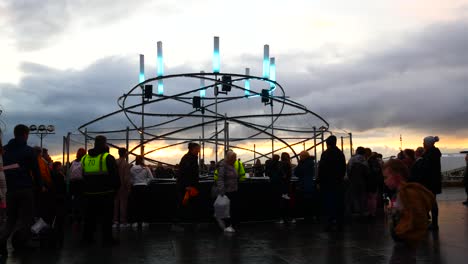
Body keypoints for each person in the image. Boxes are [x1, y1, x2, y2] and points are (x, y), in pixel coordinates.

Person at [0, 124, 44, 256]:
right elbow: (36, 172)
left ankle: (1, 242)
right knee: (27, 218)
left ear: (14, 134)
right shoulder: (29, 151)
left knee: (11, 219)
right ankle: (23, 243)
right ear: (25, 135)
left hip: (10, 190)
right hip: (25, 189)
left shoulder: (4, 150)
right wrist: (40, 186)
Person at [383, 159, 435, 244]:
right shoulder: (402, 192)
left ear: (397, 176)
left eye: (386, 177)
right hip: (405, 235)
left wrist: (394, 211)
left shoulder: (407, 193)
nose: (384, 181)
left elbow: (415, 216)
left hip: (405, 236)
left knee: (403, 256)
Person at [81, 135, 120, 245]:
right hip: (106, 194)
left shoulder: (85, 158)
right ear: (104, 143)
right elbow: (115, 176)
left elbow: (82, 175)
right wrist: (115, 189)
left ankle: (87, 239)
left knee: (89, 219)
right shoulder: (108, 157)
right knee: (106, 219)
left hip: (89, 194)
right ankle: (107, 239)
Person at [318, 135, 346, 232]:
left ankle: (329, 222)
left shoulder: (325, 154)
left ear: (327, 143)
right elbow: (343, 169)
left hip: (327, 182)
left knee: (329, 202)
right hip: (338, 182)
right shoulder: (340, 153)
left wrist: (320, 181)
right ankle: (339, 222)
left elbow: (321, 169)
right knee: (338, 202)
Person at [175, 143, 200, 229]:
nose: (199, 151)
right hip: (187, 187)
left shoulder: (189, 158)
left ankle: (184, 223)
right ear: (192, 149)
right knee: (184, 205)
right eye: (197, 149)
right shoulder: (188, 159)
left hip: (189, 186)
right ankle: (179, 224)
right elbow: (184, 173)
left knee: (188, 205)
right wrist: (187, 185)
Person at [421, 136, 442, 230]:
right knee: (432, 202)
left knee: (432, 202)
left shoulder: (430, 154)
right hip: (434, 181)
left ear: (428, 144)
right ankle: (434, 223)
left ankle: (434, 224)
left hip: (430, 182)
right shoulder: (434, 153)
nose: (423, 144)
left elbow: (426, 167)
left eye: (424, 142)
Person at [216, 150, 239, 233]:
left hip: (233, 190)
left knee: (232, 209)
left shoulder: (232, 165)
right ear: (229, 158)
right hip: (227, 192)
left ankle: (231, 225)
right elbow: (220, 179)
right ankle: (227, 226)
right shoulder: (223, 166)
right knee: (227, 210)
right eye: (234, 158)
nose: (235, 159)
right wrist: (222, 191)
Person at [129, 155, 153, 228]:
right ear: (142, 160)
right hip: (144, 188)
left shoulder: (132, 168)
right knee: (144, 205)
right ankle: (143, 221)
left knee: (135, 205)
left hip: (135, 188)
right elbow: (151, 178)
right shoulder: (146, 168)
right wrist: (146, 182)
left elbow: (130, 178)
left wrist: (133, 183)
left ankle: (135, 221)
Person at [294, 151, 318, 222]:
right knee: (309, 201)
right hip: (309, 184)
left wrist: (300, 164)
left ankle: (307, 217)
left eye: (301, 156)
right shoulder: (310, 163)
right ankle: (310, 217)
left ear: (303, 157)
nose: (300, 158)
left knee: (306, 202)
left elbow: (297, 172)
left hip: (304, 184)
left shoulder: (304, 164)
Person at [347, 146, 369, 216]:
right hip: (363, 181)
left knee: (354, 197)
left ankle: (356, 211)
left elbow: (348, 170)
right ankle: (362, 211)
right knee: (362, 196)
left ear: (357, 151)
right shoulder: (364, 160)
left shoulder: (352, 159)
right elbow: (367, 172)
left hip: (353, 181)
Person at [113, 148, 131, 228]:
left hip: (114, 186)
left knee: (115, 204)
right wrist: (128, 187)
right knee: (123, 204)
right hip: (122, 186)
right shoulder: (126, 164)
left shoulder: (115, 162)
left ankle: (115, 220)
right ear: (125, 154)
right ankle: (123, 221)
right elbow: (126, 177)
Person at [69, 148, 86, 229]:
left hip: (73, 184)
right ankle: (81, 219)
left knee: (75, 202)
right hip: (81, 184)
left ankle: (75, 220)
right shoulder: (84, 161)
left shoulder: (73, 162)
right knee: (82, 202)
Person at [0, 138, 7, 224]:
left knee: (3, 197)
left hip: (2, 177)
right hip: (2, 177)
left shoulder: (3, 153)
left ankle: (3, 216)